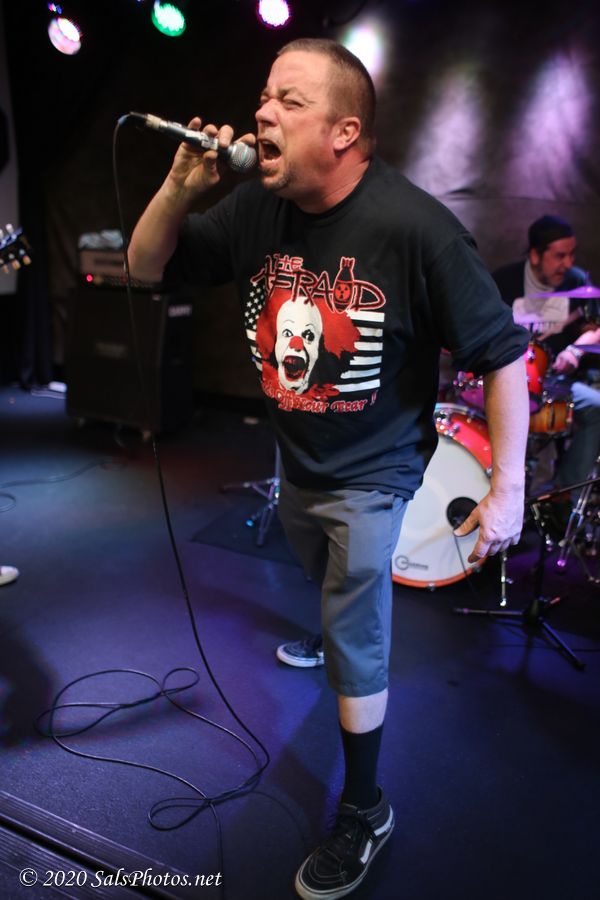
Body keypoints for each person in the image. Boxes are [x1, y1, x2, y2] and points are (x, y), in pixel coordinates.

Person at [128, 38, 530, 900]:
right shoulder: (259, 208)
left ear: (344, 132)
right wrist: (178, 189)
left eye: (289, 101)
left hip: (376, 468)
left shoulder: (417, 229)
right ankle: (337, 634)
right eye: (263, 95)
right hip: (301, 458)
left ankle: (366, 807)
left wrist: (509, 489)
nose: (262, 112)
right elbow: (143, 265)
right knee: (323, 579)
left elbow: (502, 356)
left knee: (354, 611)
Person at [492, 215, 600, 505]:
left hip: (555, 383)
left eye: (571, 255)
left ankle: (563, 495)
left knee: (596, 408)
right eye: (559, 256)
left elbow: (595, 328)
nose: (568, 263)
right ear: (535, 255)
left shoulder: (576, 281)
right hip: (505, 380)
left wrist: (575, 350)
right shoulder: (504, 282)